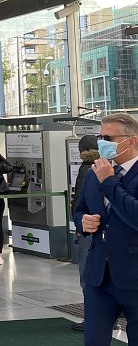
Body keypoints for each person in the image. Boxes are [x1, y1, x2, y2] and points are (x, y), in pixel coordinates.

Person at [73, 113, 138, 345]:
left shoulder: (105, 175)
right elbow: (79, 209)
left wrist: (109, 182)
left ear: (131, 140)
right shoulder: (93, 173)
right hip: (99, 277)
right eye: (100, 137)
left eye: (108, 137)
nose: (102, 143)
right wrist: (83, 221)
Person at [71, 134, 99, 332]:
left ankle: (93, 317)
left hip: (88, 231)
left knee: (87, 275)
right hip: (103, 230)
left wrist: (80, 227)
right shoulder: (106, 166)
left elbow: (81, 200)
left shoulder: (86, 170)